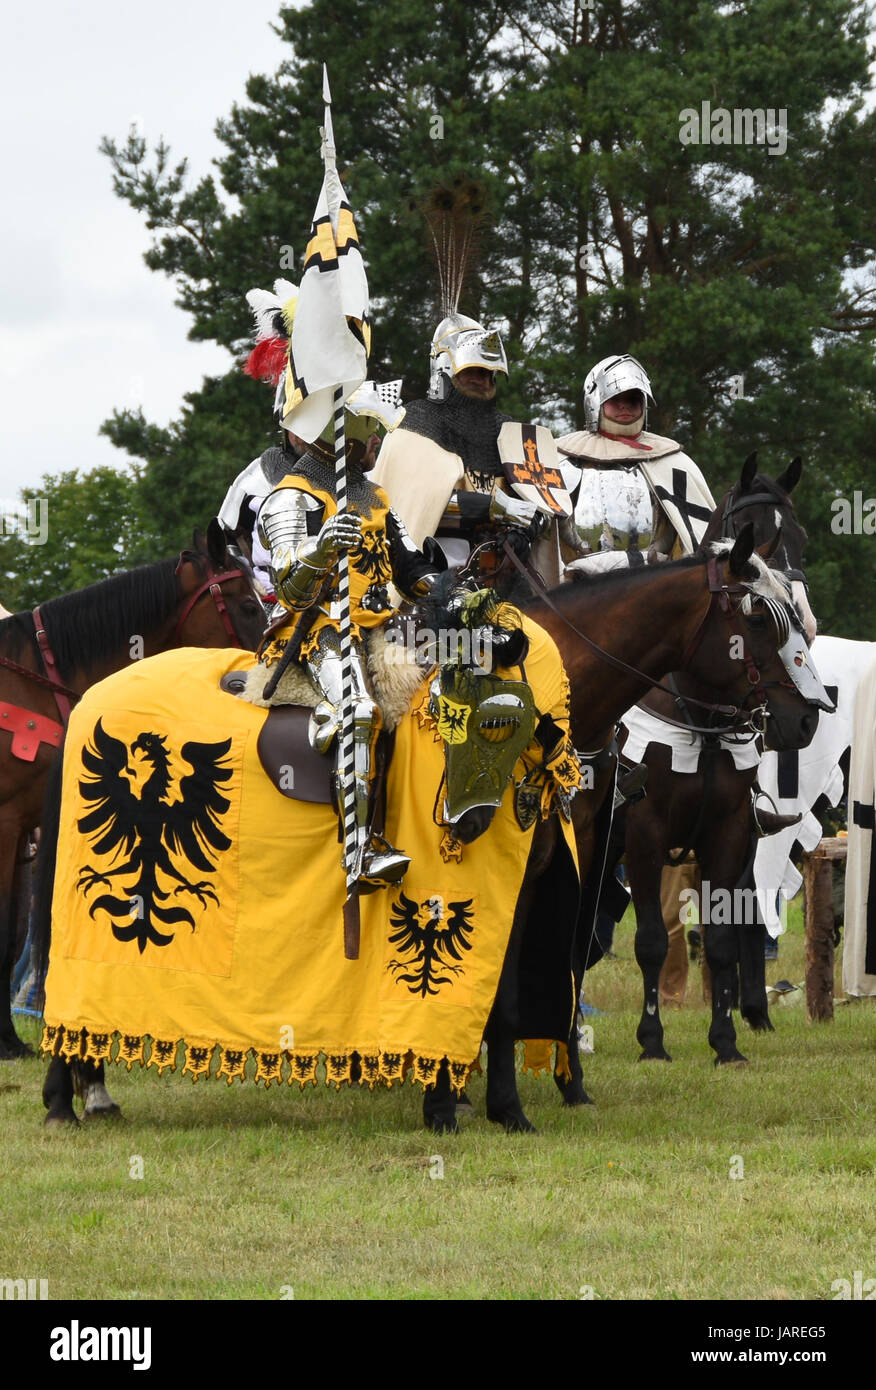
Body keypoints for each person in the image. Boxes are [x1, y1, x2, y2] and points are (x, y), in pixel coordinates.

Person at [371, 313, 585, 589]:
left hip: (504, 573)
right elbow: (412, 506)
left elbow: (544, 502)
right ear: (445, 368)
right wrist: (501, 510)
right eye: (470, 370)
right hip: (433, 573)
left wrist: (528, 528)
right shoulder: (412, 425)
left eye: (486, 373)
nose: (480, 379)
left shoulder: (512, 434)